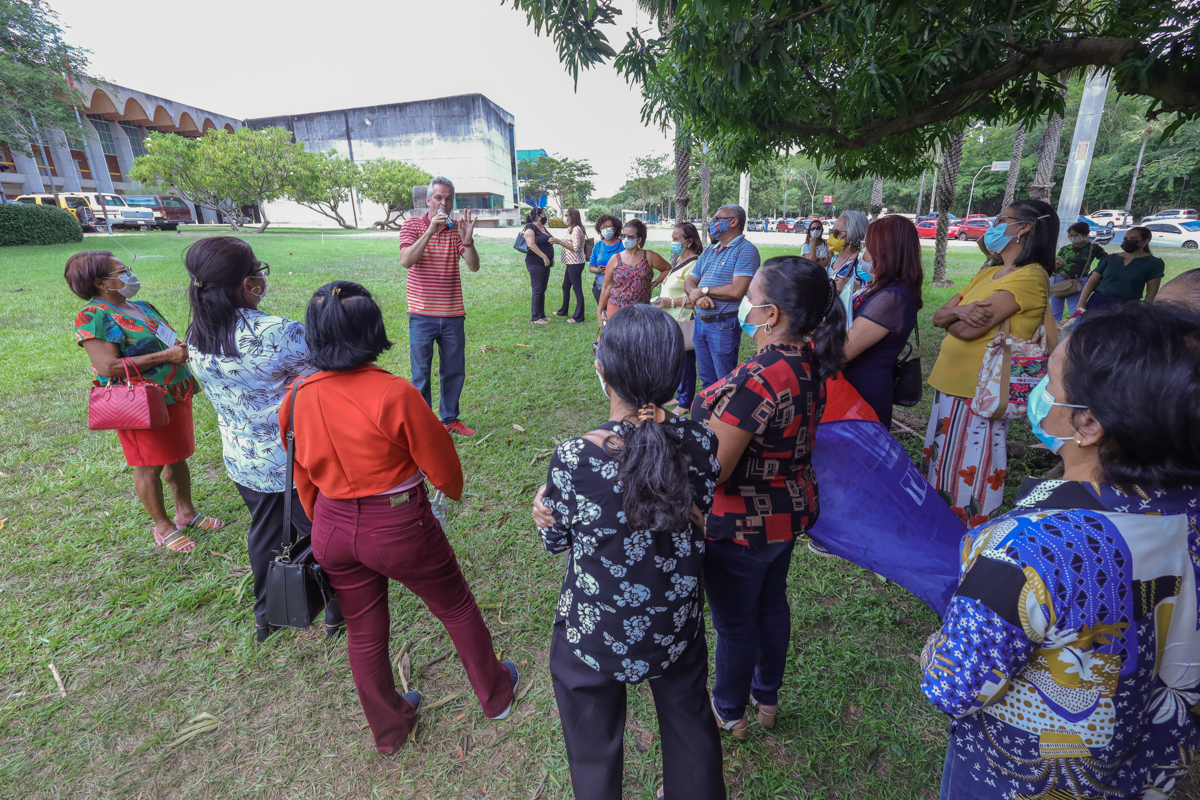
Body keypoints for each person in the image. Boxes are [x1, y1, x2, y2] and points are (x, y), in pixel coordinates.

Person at [920, 302, 1200, 800]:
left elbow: (954, 685)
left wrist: (932, 653)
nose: (1039, 393)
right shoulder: (1189, 512)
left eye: (1050, 381)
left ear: (1088, 425)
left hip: (1024, 780)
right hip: (1146, 769)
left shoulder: (1032, 546)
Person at [279, 281, 517, 754]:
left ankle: (390, 730)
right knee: (455, 605)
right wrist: (452, 491)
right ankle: (496, 695)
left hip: (331, 525)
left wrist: (327, 521)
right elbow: (441, 462)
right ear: (374, 331)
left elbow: (300, 473)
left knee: (365, 632)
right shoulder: (394, 392)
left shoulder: (297, 395)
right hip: (398, 524)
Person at [531, 305, 725, 800]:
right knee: (690, 726)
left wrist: (545, 517)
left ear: (602, 369)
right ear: (675, 373)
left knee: (592, 748)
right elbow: (695, 508)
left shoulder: (575, 457)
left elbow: (557, 542)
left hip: (596, 628)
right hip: (674, 625)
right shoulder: (702, 442)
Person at [695, 256, 846, 737]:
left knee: (736, 624)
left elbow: (714, 469)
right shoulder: (809, 361)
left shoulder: (760, 376)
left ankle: (728, 710)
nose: (744, 305)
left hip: (741, 524)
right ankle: (767, 698)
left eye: (750, 298)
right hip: (787, 513)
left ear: (771, 314)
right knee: (771, 606)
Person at [184, 236, 344, 642]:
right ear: (246, 282)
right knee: (323, 532)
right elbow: (326, 377)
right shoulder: (276, 331)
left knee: (266, 532)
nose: (261, 276)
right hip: (295, 458)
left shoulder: (198, 332)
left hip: (242, 457)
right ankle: (337, 608)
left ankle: (265, 616)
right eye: (257, 268)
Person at [68, 250, 222, 554]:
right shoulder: (93, 315)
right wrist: (166, 356)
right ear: (100, 282)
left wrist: (178, 346)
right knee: (148, 464)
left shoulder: (141, 306)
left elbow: (165, 339)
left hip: (173, 392)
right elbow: (107, 367)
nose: (129, 276)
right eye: (121, 272)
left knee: (177, 454)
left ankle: (186, 512)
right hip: (139, 403)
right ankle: (163, 526)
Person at [925, 199, 1056, 525]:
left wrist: (955, 317)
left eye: (1002, 219)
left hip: (981, 392)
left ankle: (968, 534)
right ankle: (940, 527)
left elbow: (969, 330)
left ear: (1024, 228)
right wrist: (956, 313)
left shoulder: (1030, 277)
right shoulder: (992, 272)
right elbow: (938, 316)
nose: (993, 226)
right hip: (950, 384)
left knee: (972, 469)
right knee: (942, 462)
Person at [398, 177, 480, 438]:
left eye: (448, 198)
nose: (443, 203)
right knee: (420, 372)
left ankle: (450, 419)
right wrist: (430, 232)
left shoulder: (457, 228)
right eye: (438, 198)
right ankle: (423, 425)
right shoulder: (411, 225)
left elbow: (473, 266)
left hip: (453, 314)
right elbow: (407, 260)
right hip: (421, 314)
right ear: (428, 200)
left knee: (454, 370)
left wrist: (467, 241)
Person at [842, 215, 922, 428]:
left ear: (886, 251)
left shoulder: (892, 298)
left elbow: (843, 350)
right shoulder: (878, 287)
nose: (863, 254)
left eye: (868, 247)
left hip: (862, 391)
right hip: (851, 385)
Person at [684, 204, 761, 396]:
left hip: (723, 324)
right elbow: (690, 280)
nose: (713, 223)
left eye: (718, 219)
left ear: (734, 222)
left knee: (725, 380)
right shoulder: (711, 250)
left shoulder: (746, 250)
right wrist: (697, 296)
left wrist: (703, 291)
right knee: (707, 378)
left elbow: (737, 290)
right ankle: (710, 417)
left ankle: (726, 419)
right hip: (700, 322)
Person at [653, 222, 703, 411]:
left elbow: (695, 297)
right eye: (672, 238)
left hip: (685, 318)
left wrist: (670, 303)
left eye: (676, 239)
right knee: (677, 360)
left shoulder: (695, 264)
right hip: (671, 319)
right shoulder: (680, 260)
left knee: (686, 360)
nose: (672, 242)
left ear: (689, 241)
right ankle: (681, 394)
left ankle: (686, 402)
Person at [596, 218, 670, 326]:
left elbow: (667, 269)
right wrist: (600, 310)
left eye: (630, 236)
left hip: (641, 310)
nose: (625, 239)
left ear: (639, 240)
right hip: (616, 308)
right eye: (623, 236)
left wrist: (654, 284)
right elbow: (606, 287)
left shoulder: (649, 256)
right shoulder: (615, 259)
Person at [1077, 225, 1164, 312]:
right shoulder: (1110, 258)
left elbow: (1152, 290)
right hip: (1098, 302)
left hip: (1128, 306)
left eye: (1133, 238)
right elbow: (1092, 281)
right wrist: (1081, 302)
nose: (1128, 241)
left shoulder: (1154, 263)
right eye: (1126, 238)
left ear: (1146, 241)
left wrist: (1145, 310)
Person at [1050, 221, 1106, 320]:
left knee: (1076, 312)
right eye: (1070, 235)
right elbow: (1054, 264)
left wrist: (1095, 273)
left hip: (1078, 282)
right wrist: (1055, 266)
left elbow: (1106, 260)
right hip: (1058, 280)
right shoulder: (1065, 249)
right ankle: (1054, 333)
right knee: (1055, 312)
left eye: (1077, 235)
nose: (1073, 237)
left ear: (1085, 235)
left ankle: (1077, 333)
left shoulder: (1093, 248)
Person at [550, 208, 587, 322]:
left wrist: (559, 241)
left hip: (575, 263)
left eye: (567, 216)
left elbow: (575, 248)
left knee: (577, 289)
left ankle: (578, 317)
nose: (565, 218)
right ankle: (563, 311)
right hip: (570, 262)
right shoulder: (570, 229)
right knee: (565, 286)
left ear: (573, 217)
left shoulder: (576, 230)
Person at [522, 208, 555, 325]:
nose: (545, 217)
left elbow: (547, 242)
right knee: (537, 289)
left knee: (543, 288)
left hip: (545, 263)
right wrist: (544, 257)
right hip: (535, 262)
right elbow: (531, 244)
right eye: (544, 215)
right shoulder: (530, 228)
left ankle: (542, 314)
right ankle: (535, 317)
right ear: (537, 216)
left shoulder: (543, 228)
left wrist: (551, 257)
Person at [827, 210, 870, 294]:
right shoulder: (834, 260)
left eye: (836, 233)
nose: (832, 236)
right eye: (831, 232)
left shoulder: (862, 264)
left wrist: (850, 287)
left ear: (853, 233)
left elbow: (875, 292)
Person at [588, 214, 623, 304]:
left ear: (615, 228)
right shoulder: (598, 246)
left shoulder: (623, 245)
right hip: (601, 285)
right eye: (602, 227)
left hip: (619, 285)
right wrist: (599, 270)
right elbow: (591, 266)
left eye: (608, 227)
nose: (605, 230)